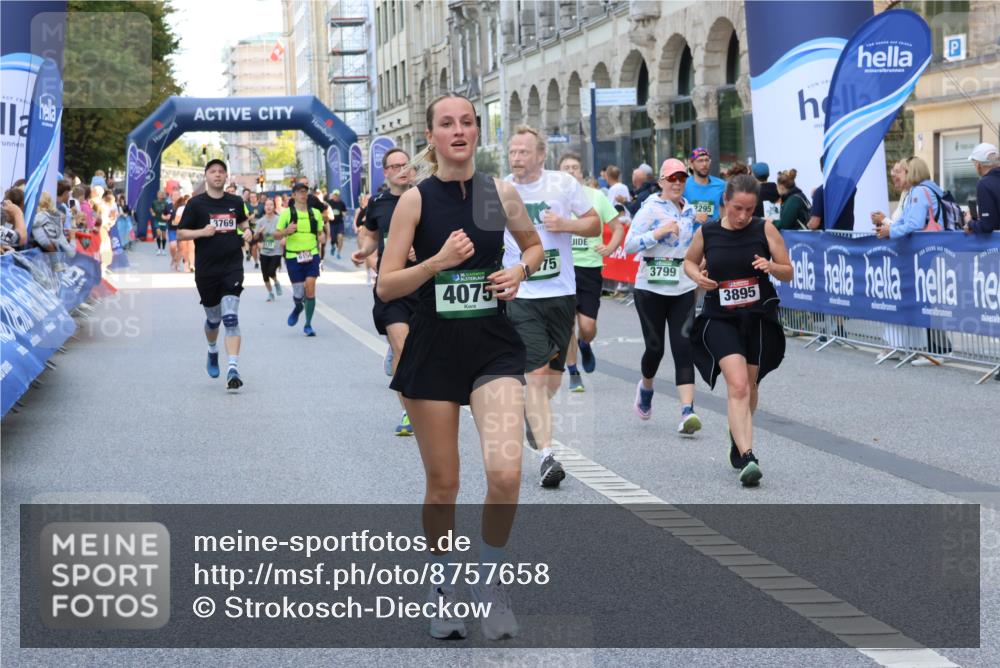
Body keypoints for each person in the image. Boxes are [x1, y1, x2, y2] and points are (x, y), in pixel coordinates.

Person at [377, 93, 543, 641]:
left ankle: (489, 583)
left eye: (467, 122)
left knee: (504, 474)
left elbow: (534, 248)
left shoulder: (498, 194)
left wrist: (520, 271)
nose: (458, 130)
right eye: (446, 123)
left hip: (492, 347)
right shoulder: (416, 202)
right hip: (433, 350)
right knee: (444, 484)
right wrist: (438, 263)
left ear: (477, 131)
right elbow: (388, 285)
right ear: (432, 136)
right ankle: (444, 584)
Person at [684, 174, 793, 486]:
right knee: (739, 385)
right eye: (737, 209)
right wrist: (698, 278)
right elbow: (689, 262)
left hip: (756, 318)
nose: (743, 215)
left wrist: (771, 267)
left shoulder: (765, 228)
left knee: (752, 386)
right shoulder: (708, 231)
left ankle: (737, 435)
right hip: (720, 318)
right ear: (725, 204)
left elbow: (788, 272)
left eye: (749, 209)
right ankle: (748, 455)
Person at [505, 125, 599, 487]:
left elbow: (594, 225)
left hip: (560, 294)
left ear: (541, 155)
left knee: (552, 380)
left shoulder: (562, 185)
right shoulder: (500, 190)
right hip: (521, 295)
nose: (517, 158)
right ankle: (547, 455)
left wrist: (566, 224)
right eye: (513, 152)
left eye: (524, 152)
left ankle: (534, 415)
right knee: (536, 374)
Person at [624, 158, 702, 434]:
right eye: (672, 179)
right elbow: (629, 245)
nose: (678, 183)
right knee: (655, 349)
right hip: (650, 289)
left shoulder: (690, 210)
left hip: (682, 288)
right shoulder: (650, 209)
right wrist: (658, 232)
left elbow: (691, 247)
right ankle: (646, 387)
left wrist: (699, 263)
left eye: (682, 178)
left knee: (683, 347)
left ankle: (687, 412)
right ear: (661, 183)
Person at [352, 148, 417, 436]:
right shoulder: (378, 203)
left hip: (424, 285)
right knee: (405, 347)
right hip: (391, 286)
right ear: (386, 172)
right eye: (395, 166)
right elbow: (371, 236)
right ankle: (408, 413)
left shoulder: (425, 198)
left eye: (406, 164)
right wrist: (364, 252)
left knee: (422, 349)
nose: (401, 169)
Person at [176, 159, 253, 390]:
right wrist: (202, 231)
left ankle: (232, 369)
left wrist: (247, 231)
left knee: (230, 318)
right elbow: (180, 234)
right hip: (207, 270)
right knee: (214, 319)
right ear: (206, 176)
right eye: (213, 172)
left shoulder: (236, 201)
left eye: (221, 172)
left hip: (232, 266)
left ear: (226, 176)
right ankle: (212, 350)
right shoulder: (196, 204)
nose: (217, 175)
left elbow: (244, 222)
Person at [875, 155, 953, 364]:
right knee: (930, 300)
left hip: (926, 253)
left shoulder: (919, 192)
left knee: (930, 301)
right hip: (934, 251)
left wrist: (891, 230)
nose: (903, 175)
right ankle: (936, 350)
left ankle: (938, 352)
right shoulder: (931, 189)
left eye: (906, 170)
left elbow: (913, 223)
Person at [557, 152, 625, 392]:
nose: (571, 171)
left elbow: (618, 227)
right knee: (566, 325)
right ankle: (573, 371)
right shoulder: (552, 199)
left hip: (590, 268)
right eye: (566, 167)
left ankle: (585, 344)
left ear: (581, 172)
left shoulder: (596, 196)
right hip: (562, 270)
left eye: (574, 167)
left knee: (587, 326)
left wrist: (610, 247)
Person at [274, 182, 326, 336]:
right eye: (300, 192)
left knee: (310, 287)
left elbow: (320, 233)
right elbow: (275, 235)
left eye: (305, 192)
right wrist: (286, 231)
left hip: (311, 254)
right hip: (293, 256)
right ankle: (298, 307)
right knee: (298, 293)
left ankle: (308, 324)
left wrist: (322, 237)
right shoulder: (287, 213)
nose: (303, 195)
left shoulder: (315, 213)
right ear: (294, 195)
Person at [808, 158, 856, 231]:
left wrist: (808, 225)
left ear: (822, 169)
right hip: (847, 238)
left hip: (829, 239)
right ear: (836, 167)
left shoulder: (820, 191)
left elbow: (814, 224)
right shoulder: (850, 184)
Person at [683, 147, 726, 227]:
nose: (704, 164)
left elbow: (726, 210)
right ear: (691, 165)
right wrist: (693, 217)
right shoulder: (683, 185)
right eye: (700, 161)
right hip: (691, 237)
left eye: (707, 160)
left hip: (713, 235)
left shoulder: (721, 185)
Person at [254, 196, 284, 301]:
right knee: (265, 275)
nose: (269, 207)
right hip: (264, 250)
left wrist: (284, 239)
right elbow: (255, 238)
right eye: (267, 205)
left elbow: (284, 233)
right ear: (264, 207)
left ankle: (276, 282)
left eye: (271, 205)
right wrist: (258, 233)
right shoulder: (260, 221)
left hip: (276, 250)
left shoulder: (279, 219)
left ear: (274, 207)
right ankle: (270, 293)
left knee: (271, 271)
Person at [965, 142, 999, 234]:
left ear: (979, 164)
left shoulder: (984, 183)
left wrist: (969, 222)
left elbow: (987, 226)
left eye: (974, 163)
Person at [326, 189, 348, 259]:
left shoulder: (342, 203)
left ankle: (338, 253)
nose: (336, 196)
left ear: (339, 196)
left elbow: (345, 212)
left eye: (337, 195)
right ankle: (333, 246)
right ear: (332, 195)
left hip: (339, 223)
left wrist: (344, 214)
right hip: (331, 224)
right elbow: (324, 210)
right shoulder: (329, 203)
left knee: (340, 237)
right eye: (334, 195)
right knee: (333, 238)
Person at [151, 190, 172, 256]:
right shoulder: (154, 202)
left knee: (164, 236)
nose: (160, 195)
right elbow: (151, 209)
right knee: (158, 233)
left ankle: (163, 249)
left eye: (162, 194)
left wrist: (168, 215)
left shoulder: (166, 203)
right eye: (159, 194)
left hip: (164, 221)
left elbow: (168, 211)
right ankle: (159, 249)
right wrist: (152, 213)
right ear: (157, 195)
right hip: (157, 220)